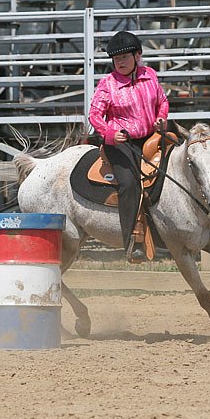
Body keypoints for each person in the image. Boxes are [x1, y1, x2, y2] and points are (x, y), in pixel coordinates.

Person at [88, 30, 169, 263]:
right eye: (116, 59)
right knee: (129, 183)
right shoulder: (108, 85)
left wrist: (161, 116)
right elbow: (95, 115)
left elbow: (162, 101)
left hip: (150, 138)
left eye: (125, 57)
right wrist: (110, 134)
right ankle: (132, 241)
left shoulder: (150, 75)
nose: (120, 62)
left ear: (138, 55)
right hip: (121, 143)